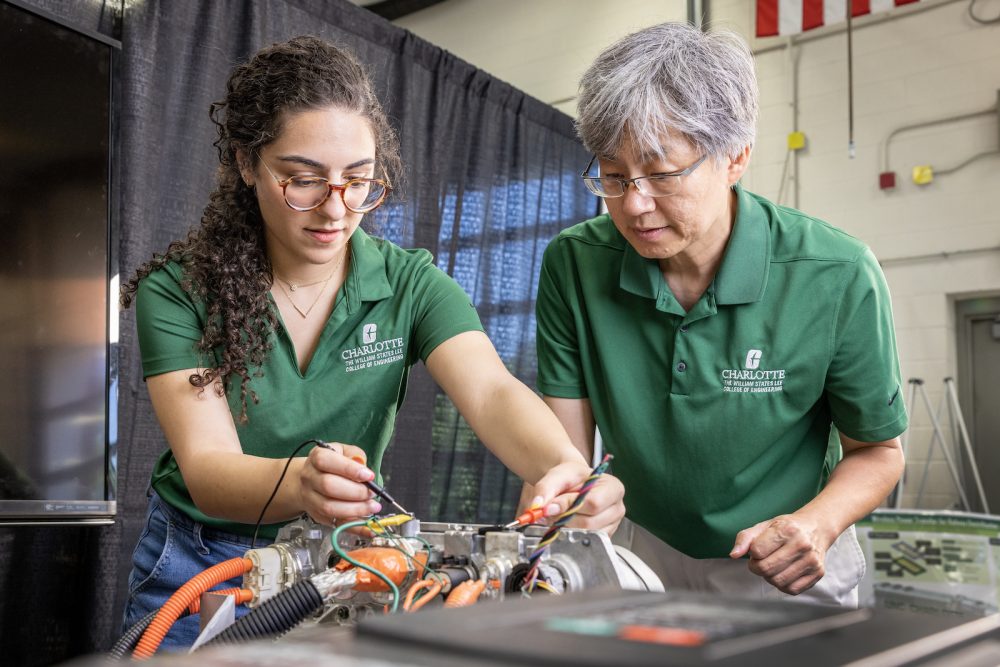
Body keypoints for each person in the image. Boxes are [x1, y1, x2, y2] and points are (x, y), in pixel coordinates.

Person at [120, 35, 624, 650]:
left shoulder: (408, 283)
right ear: (248, 164)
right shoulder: (179, 292)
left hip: (345, 565)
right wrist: (303, 484)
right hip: (199, 564)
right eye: (303, 180)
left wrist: (564, 468)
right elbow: (207, 469)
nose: (336, 208)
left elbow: (492, 391)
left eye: (358, 180)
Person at [529, 22, 906, 607]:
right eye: (612, 174)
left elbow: (878, 452)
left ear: (736, 158)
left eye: (661, 173)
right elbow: (564, 454)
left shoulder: (836, 273)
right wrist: (547, 529)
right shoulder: (575, 263)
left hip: (784, 557)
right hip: (640, 551)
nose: (634, 204)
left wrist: (816, 525)